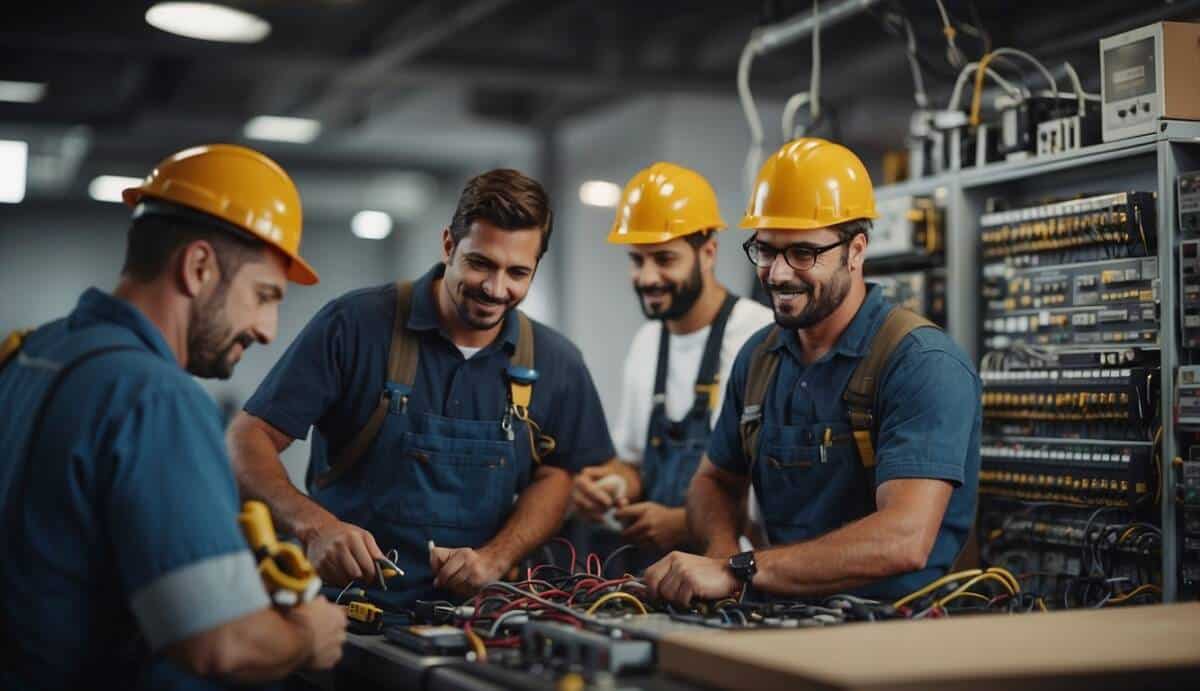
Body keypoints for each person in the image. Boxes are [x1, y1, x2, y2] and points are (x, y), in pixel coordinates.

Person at [0, 144, 347, 690]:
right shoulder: (155, 397)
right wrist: (308, 636)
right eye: (263, 295)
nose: (267, 330)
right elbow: (220, 644)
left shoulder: (32, 355)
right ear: (199, 267)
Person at [228, 169, 615, 605]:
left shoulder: (555, 361)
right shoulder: (355, 326)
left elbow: (559, 473)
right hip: (347, 618)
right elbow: (246, 438)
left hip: (482, 622)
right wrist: (314, 526)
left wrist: (495, 557)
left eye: (517, 272)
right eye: (480, 263)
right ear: (449, 244)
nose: (495, 288)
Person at [643, 138, 981, 605]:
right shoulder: (759, 360)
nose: (778, 273)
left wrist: (738, 570)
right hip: (780, 620)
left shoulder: (921, 363)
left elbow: (903, 539)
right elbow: (713, 480)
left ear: (856, 250)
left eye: (803, 253)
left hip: (900, 637)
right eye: (765, 250)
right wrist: (721, 554)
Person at [570, 163, 772, 559]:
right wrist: (612, 487)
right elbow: (634, 466)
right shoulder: (647, 343)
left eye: (664, 259)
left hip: (736, 569)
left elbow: (773, 488)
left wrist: (687, 522)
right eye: (637, 260)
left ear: (708, 252)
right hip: (658, 576)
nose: (647, 277)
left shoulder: (760, 337)